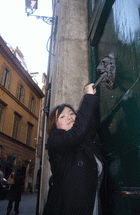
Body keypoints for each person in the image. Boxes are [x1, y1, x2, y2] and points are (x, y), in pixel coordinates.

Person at [43, 83, 104, 215]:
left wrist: (93, 97)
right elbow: (78, 132)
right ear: (55, 124)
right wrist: (88, 97)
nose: (70, 117)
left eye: (72, 113)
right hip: (67, 208)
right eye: (62, 116)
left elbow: (88, 126)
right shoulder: (55, 140)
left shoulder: (84, 141)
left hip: (91, 205)